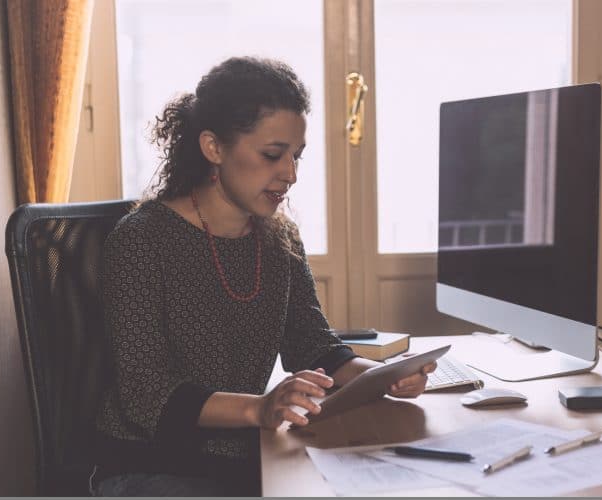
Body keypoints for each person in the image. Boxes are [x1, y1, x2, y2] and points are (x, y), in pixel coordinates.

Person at [91, 56, 436, 497]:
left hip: (249, 456)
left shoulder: (279, 238)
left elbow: (311, 345)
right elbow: (146, 394)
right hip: (149, 466)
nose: (290, 174)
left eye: (296, 157)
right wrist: (260, 409)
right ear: (214, 148)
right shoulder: (141, 240)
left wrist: (381, 376)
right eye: (273, 155)